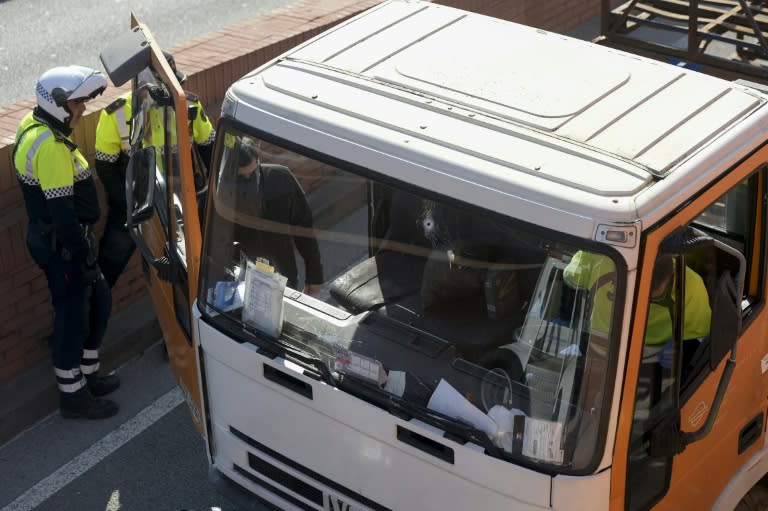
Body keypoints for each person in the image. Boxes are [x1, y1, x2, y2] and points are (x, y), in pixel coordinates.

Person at [13, 66, 119, 419]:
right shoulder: (51, 147)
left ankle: (89, 374)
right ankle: (72, 395)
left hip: (65, 244)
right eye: (78, 102)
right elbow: (61, 212)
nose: (83, 108)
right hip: (64, 246)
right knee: (72, 317)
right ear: (57, 103)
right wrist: (81, 253)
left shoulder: (38, 124)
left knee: (97, 303)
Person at [94, 50, 215, 288]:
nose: (175, 90)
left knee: (188, 265)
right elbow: (105, 167)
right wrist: (128, 205)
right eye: (168, 84)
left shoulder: (188, 104)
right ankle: (94, 313)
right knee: (109, 265)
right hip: (138, 204)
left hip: (181, 200)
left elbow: (208, 145)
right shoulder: (117, 113)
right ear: (149, 85)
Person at [563, 250, 711, 368]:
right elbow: (571, 278)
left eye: (654, 299)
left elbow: (700, 340)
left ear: (673, 271)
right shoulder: (601, 256)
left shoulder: (691, 287)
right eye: (631, 293)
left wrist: (682, 349)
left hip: (647, 366)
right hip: (594, 351)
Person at [229, 137, 323, 294]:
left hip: (284, 277)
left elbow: (304, 229)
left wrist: (315, 276)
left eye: (252, 174)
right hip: (242, 280)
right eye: (241, 177)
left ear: (258, 161)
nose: (248, 180)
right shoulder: (222, 194)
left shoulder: (281, 179)